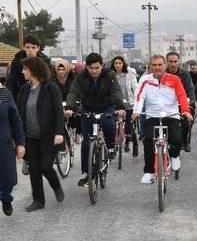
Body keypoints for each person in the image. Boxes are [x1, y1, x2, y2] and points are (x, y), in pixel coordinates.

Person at [65, 53, 126, 187]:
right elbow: (73, 92)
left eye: (97, 68)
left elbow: (116, 91)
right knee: (86, 142)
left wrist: (120, 107)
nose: (94, 71)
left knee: (108, 123)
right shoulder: (80, 76)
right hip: (88, 107)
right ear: (87, 67)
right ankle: (86, 172)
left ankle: (110, 148)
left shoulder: (109, 75)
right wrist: (70, 107)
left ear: (101, 65)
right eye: (91, 68)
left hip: (106, 106)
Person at [132, 55, 192, 184]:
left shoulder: (174, 79)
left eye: (160, 65)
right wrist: (136, 111)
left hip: (171, 115)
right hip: (152, 116)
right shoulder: (145, 80)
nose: (157, 67)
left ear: (165, 66)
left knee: (176, 139)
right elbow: (139, 96)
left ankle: (175, 156)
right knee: (148, 141)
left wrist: (186, 111)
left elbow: (181, 95)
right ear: (150, 67)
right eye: (154, 65)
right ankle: (148, 172)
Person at [17, 56, 65, 211]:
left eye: (25, 69)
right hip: (30, 136)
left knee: (45, 167)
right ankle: (38, 200)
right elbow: (19, 113)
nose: (23, 72)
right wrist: (18, 137)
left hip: (49, 135)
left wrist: (59, 132)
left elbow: (59, 111)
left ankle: (56, 186)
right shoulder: (24, 89)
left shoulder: (50, 88)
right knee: (34, 168)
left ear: (33, 70)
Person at [0, 82, 25, 216]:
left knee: (7, 179)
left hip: (4, 143)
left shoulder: (5, 94)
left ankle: (6, 198)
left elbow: (15, 120)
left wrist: (20, 143)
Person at [6, 34, 52, 102]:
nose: (30, 50)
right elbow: (11, 82)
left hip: (41, 95)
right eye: (28, 47)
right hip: (22, 94)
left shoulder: (45, 61)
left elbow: (50, 80)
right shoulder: (17, 61)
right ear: (24, 47)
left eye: (33, 47)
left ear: (38, 48)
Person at [166, 52, 195, 152]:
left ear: (179, 62)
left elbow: (190, 88)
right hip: (166, 104)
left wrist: (191, 99)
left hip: (181, 102)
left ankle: (185, 141)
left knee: (186, 122)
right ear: (167, 62)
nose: (173, 64)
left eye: (175, 61)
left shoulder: (185, 74)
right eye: (170, 61)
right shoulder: (163, 73)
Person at [111, 56, 139, 157]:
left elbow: (135, 87)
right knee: (111, 125)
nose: (118, 65)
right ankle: (113, 146)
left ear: (123, 64)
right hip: (114, 104)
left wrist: (137, 98)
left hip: (128, 103)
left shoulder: (129, 74)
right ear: (113, 65)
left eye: (120, 63)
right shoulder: (110, 74)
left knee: (129, 129)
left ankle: (134, 144)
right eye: (116, 63)